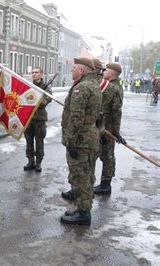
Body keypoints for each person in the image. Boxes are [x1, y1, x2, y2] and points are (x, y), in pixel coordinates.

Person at [60, 58, 102, 225]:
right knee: (88, 173)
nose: (72, 71)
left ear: (82, 71)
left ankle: (83, 213)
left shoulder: (82, 88)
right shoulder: (94, 85)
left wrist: (70, 141)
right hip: (89, 137)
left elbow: (76, 117)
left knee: (81, 176)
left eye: (74, 69)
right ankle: (84, 207)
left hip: (81, 139)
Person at [94, 63, 125, 195]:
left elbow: (115, 112)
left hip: (107, 128)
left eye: (106, 71)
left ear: (111, 73)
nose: (103, 73)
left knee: (107, 156)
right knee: (106, 156)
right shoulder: (114, 86)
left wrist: (114, 131)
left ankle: (106, 185)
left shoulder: (113, 88)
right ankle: (104, 184)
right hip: (105, 126)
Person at [23, 67, 52, 172]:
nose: (34, 74)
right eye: (33, 73)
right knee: (28, 141)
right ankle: (30, 161)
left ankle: (38, 162)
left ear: (41, 74)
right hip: (28, 118)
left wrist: (36, 96)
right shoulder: (29, 86)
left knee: (39, 141)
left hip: (40, 119)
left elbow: (44, 102)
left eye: (36, 72)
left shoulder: (46, 88)